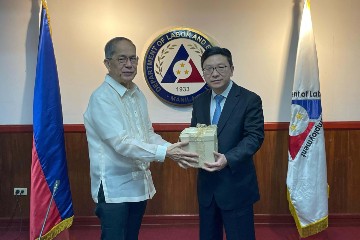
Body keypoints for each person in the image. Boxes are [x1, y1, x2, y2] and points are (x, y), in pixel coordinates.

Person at [83, 37, 198, 240]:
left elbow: (148, 135)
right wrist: (165, 152)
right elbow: (122, 143)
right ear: (107, 63)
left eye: (133, 59)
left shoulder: (137, 94)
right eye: (122, 59)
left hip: (138, 185)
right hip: (113, 189)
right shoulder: (101, 98)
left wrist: (173, 149)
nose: (129, 64)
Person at [189, 46, 264, 240]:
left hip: (236, 184)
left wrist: (227, 159)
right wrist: (187, 153)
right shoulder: (199, 101)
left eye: (221, 67)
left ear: (231, 69)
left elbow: (254, 137)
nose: (214, 73)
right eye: (208, 69)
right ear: (203, 73)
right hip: (207, 186)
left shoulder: (250, 99)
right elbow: (196, 135)